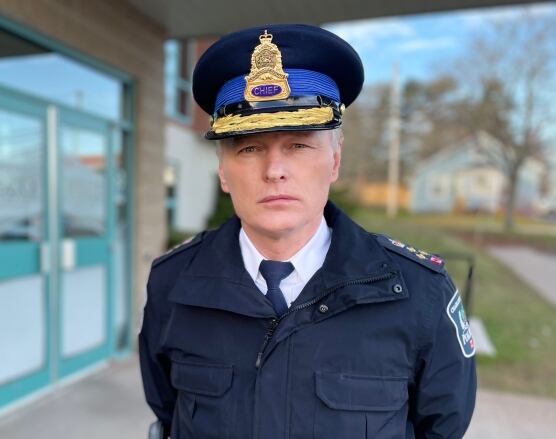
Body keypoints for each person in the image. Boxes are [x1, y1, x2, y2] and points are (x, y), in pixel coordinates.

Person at [139, 24, 476, 439]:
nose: (274, 170)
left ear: (334, 161)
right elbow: (169, 415)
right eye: (249, 148)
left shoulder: (420, 294)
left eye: (298, 145)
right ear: (223, 171)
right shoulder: (172, 284)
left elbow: (442, 426)